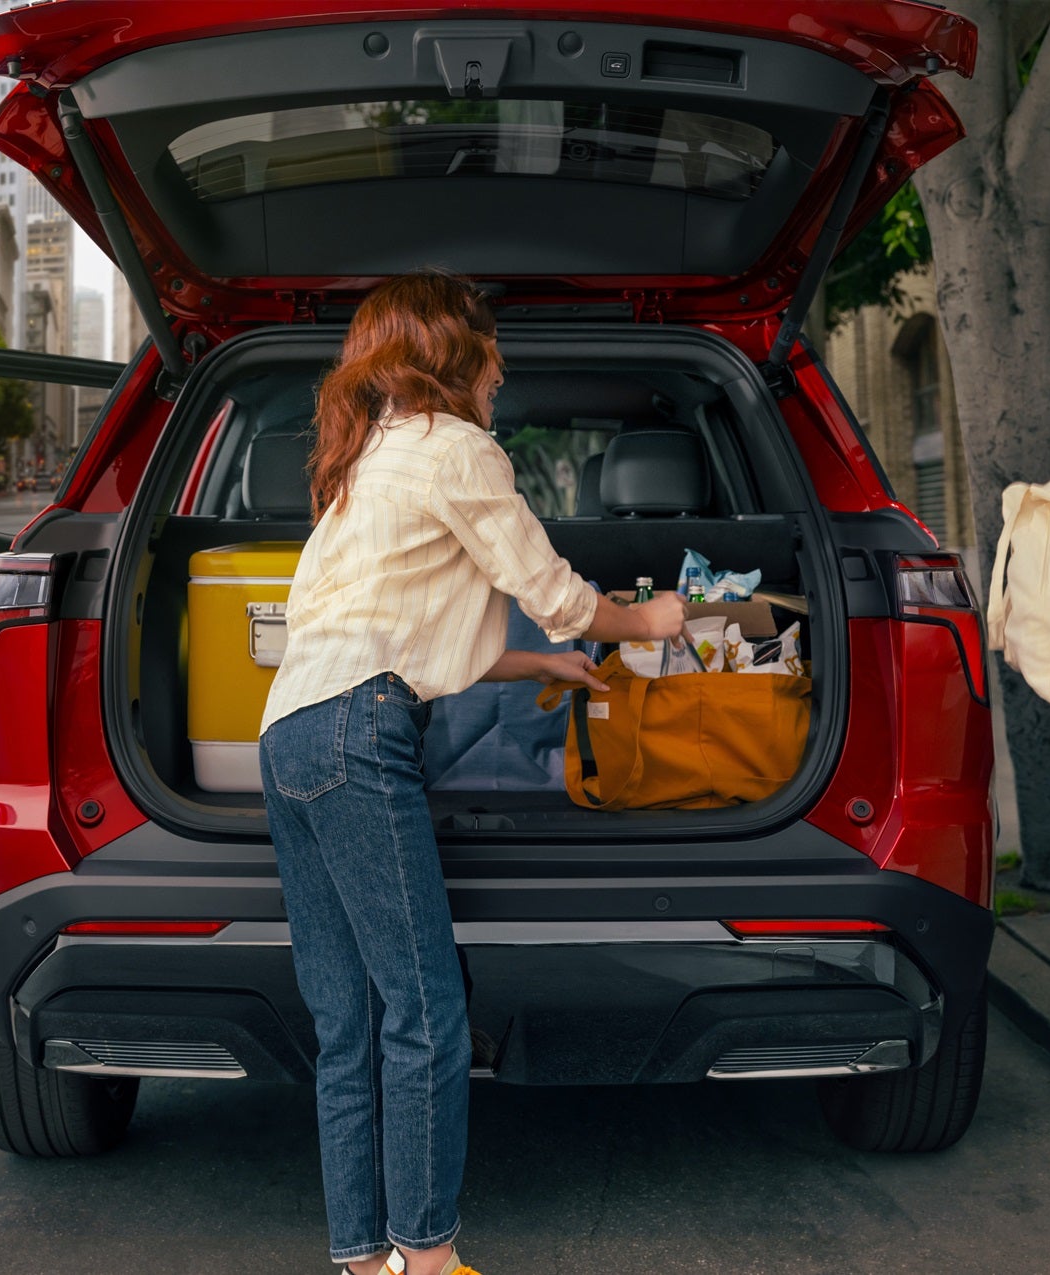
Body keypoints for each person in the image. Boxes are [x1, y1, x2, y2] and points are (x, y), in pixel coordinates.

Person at [257, 270, 689, 1274]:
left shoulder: (366, 463)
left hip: (293, 739)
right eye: (491, 345)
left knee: (347, 1021)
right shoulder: (458, 450)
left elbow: (388, 629)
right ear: (455, 353)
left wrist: (534, 662)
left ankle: (365, 1262)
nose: (502, 365)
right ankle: (431, 1255)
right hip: (360, 735)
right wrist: (646, 620)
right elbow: (558, 592)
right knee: (424, 1007)